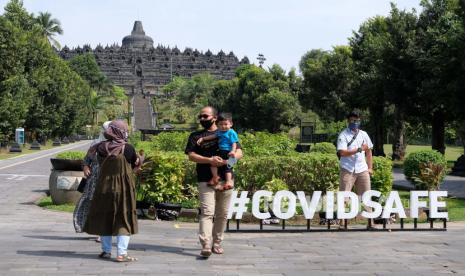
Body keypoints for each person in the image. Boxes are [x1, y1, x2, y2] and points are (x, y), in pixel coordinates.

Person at [185, 106, 243, 257]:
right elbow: (191, 156)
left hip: (226, 179)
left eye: (205, 116)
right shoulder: (196, 136)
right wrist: (210, 160)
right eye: (201, 117)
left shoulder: (228, 132)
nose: (202, 119)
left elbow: (239, 152)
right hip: (206, 179)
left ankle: (217, 243)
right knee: (207, 212)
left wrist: (227, 161)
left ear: (215, 117)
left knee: (222, 214)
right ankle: (205, 244)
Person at [83, 120, 140, 262]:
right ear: (122, 132)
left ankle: (106, 251)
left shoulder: (100, 147)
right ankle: (121, 253)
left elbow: (87, 160)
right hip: (124, 189)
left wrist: (86, 167)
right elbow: (134, 165)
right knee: (124, 218)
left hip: (104, 186)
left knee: (105, 217)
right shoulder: (128, 148)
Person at [73, 121, 112, 239]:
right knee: (91, 204)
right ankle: (96, 229)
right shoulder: (96, 144)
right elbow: (86, 160)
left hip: (110, 180)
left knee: (106, 205)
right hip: (94, 180)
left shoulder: (118, 144)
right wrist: (85, 167)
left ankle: (104, 231)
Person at [336, 110, 374, 228]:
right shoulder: (343, 135)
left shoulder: (364, 134)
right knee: (344, 196)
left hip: (362, 169)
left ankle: (370, 223)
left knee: (367, 196)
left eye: (357, 120)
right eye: (353, 120)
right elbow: (342, 152)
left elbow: (368, 151)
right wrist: (358, 149)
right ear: (348, 121)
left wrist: (370, 167)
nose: (355, 122)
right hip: (347, 169)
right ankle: (342, 223)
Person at [196, 112, 239, 190]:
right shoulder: (219, 132)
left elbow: (234, 143)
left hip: (229, 152)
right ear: (217, 125)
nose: (223, 126)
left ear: (231, 124)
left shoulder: (231, 132)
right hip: (221, 151)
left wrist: (233, 151)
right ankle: (215, 177)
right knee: (214, 164)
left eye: (225, 124)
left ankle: (228, 182)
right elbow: (213, 136)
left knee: (228, 167)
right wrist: (203, 138)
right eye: (221, 124)